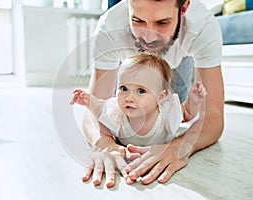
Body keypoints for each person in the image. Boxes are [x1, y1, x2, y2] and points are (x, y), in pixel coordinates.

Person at [81, 0, 224, 188]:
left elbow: (213, 116)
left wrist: (179, 147)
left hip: (177, 64)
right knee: (121, 110)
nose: (148, 38)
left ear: (183, 8)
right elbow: (94, 110)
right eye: (138, 20)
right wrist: (104, 143)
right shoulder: (110, 26)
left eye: (162, 23)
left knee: (173, 108)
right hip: (131, 68)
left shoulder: (203, 27)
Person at [71, 52, 207, 147]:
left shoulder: (166, 111)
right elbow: (100, 108)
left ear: (161, 97)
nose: (129, 98)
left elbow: (187, 114)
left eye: (141, 91)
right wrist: (87, 100)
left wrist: (193, 102)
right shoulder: (117, 112)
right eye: (123, 88)